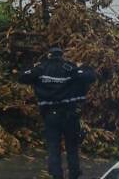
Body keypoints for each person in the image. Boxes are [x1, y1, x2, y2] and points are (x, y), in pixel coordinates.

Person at [19, 46, 96, 179]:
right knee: (72, 147)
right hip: (70, 115)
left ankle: (57, 175)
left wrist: (33, 66)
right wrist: (80, 67)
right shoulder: (69, 68)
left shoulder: (41, 69)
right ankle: (74, 174)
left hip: (50, 116)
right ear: (62, 55)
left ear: (49, 55)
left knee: (53, 148)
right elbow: (90, 76)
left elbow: (22, 76)